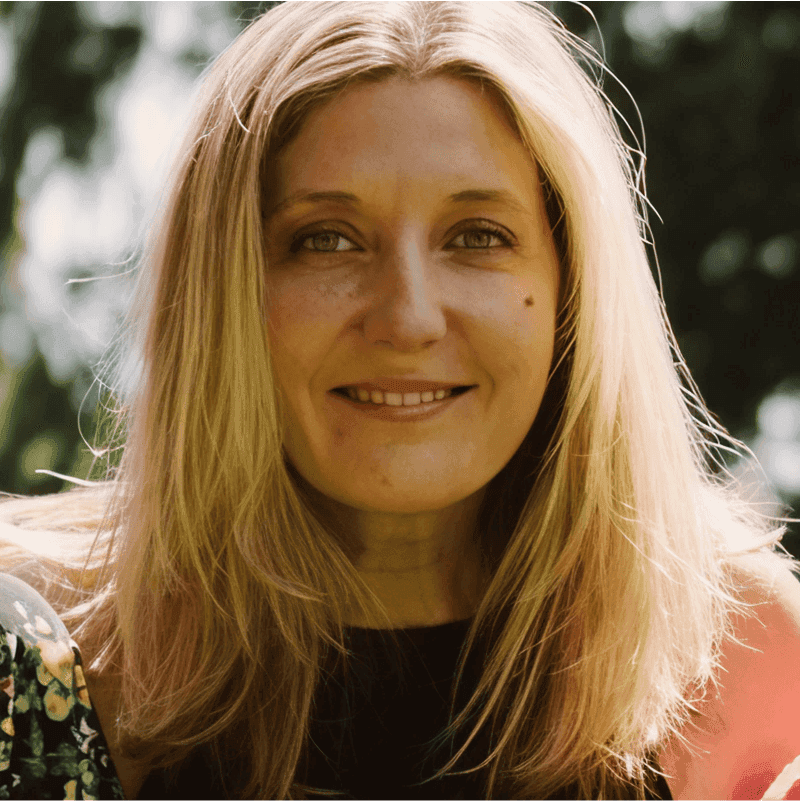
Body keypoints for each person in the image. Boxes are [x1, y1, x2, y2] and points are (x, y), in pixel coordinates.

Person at [0, 1, 798, 799]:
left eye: (478, 235)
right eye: (327, 238)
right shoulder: (33, 653)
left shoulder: (739, 652)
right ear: (225, 291)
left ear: (569, 286)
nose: (409, 317)